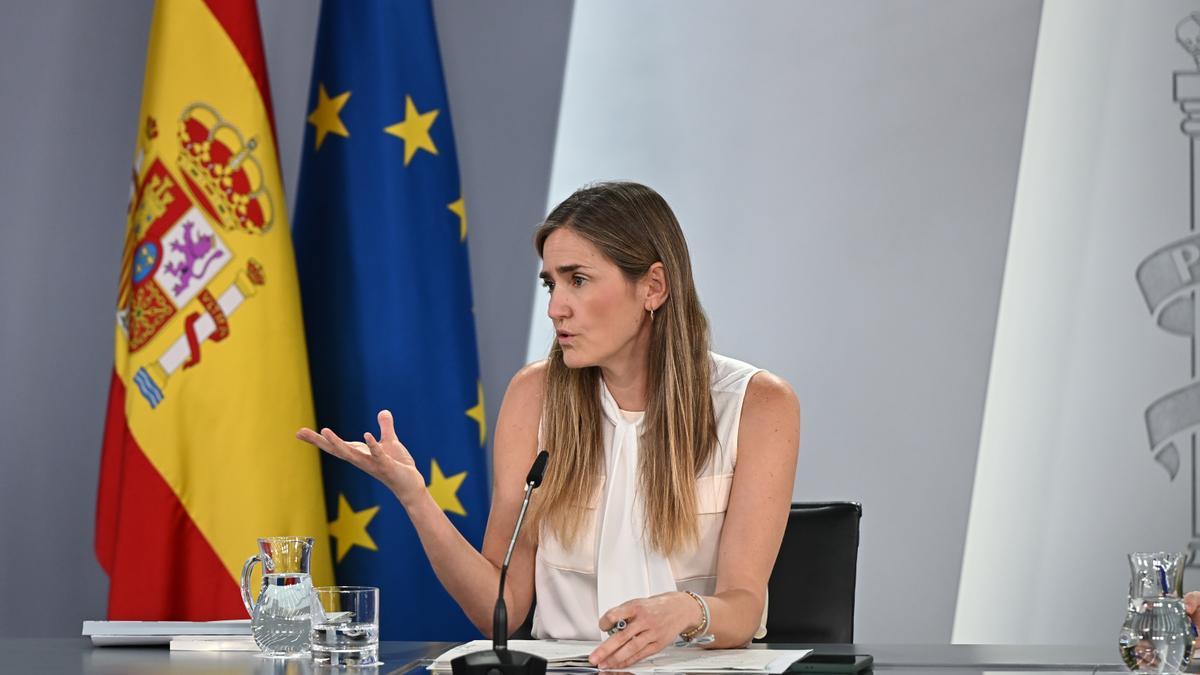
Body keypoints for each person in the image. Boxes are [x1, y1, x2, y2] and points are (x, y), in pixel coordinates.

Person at [297, 181, 800, 670]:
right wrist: (415, 498)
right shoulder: (534, 395)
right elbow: (500, 606)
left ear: (653, 286)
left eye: (577, 280)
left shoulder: (758, 405)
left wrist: (686, 610)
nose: (556, 307)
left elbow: (743, 607)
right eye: (551, 283)